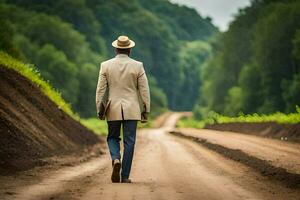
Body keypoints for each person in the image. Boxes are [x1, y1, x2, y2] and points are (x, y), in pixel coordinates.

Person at [95, 35, 150, 183]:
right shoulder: (138, 66)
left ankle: (115, 158)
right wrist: (146, 109)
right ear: (129, 50)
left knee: (112, 137)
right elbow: (144, 90)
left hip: (112, 109)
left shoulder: (105, 65)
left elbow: (100, 90)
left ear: (115, 49)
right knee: (129, 142)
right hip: (132, 110)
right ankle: (125, 176)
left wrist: (99, 108)